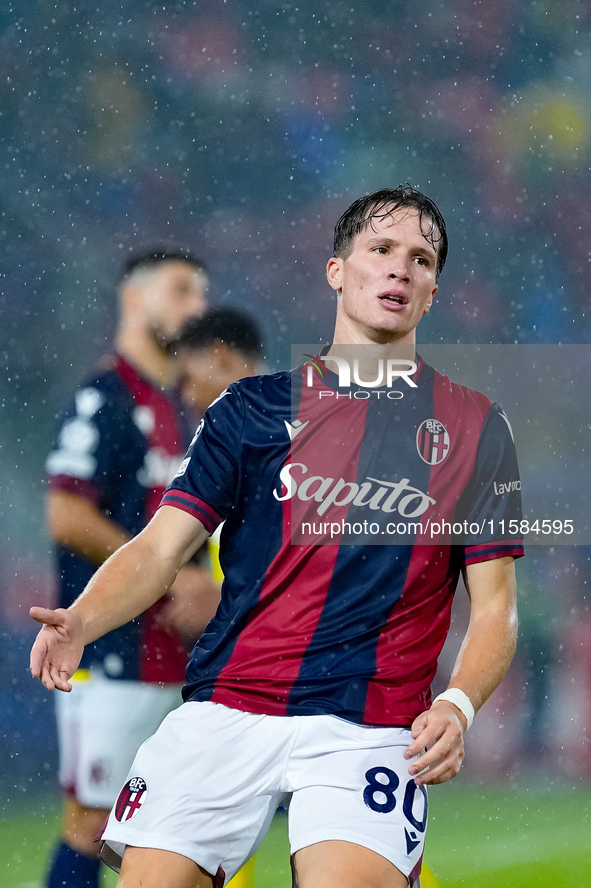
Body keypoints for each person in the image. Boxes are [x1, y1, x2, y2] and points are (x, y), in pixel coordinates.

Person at [31, 187, 523, 888]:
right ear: (336, 271)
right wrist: (83, 617)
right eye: (380, 250)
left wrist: (457, 704)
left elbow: (496, 606)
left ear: (431, 290)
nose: (399, 270)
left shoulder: (475, 427)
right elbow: (159, 548)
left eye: (419, 259)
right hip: (225, 708)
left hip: (369, 725)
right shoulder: (249, 411)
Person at [41, 249, 221, 888]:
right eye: (182, 291)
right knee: (94, 825)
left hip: (176, 654)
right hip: (112, 652)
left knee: (171, 831)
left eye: (202, 295)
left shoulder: (185, 407)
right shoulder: (105, 397)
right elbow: (66, 514)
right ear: (135, 299)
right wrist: (169, 574)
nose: (197, 308)